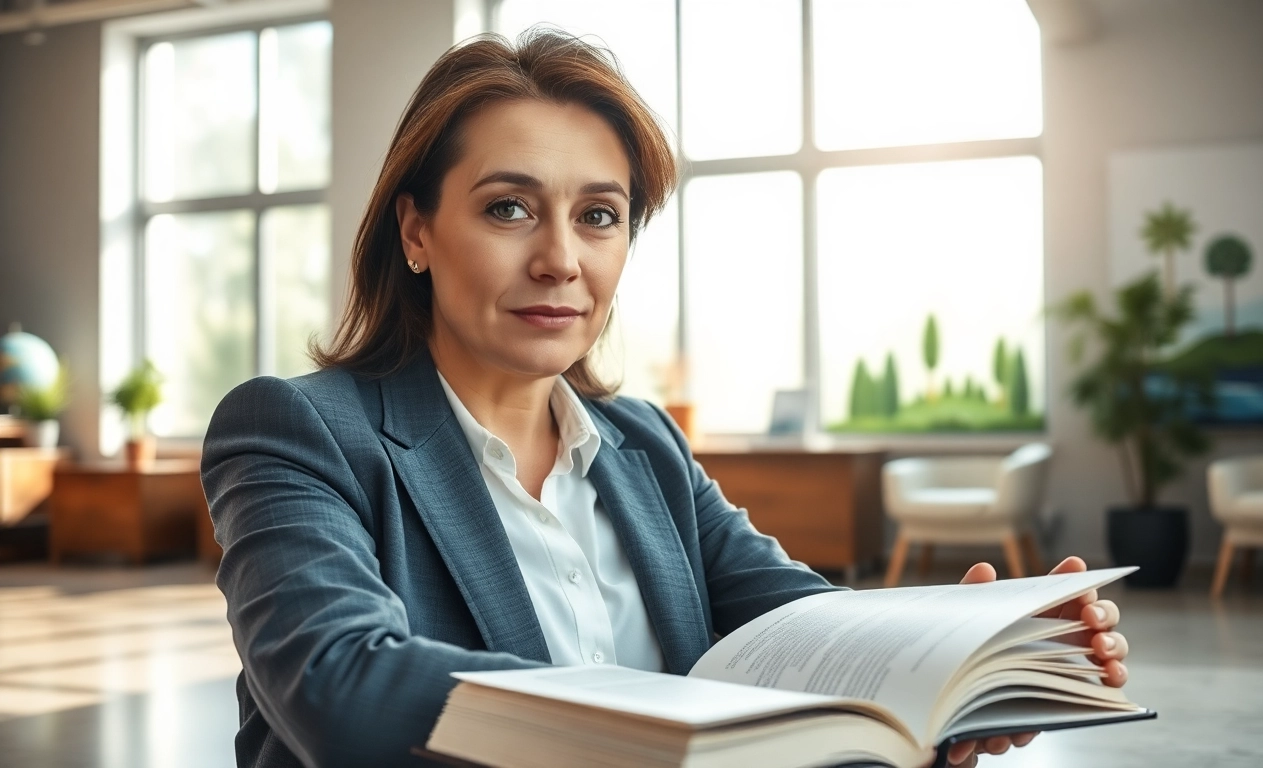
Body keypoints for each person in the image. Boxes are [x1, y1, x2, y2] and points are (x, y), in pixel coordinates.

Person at [201, 29, 1129, 768]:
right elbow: (338, 690)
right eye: (509, 207)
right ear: (415, 230)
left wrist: (969, 660)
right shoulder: (296, 429)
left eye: (598, 216)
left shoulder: (642, 443)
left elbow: (803, 629)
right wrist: (669, 725)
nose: (561, 258)